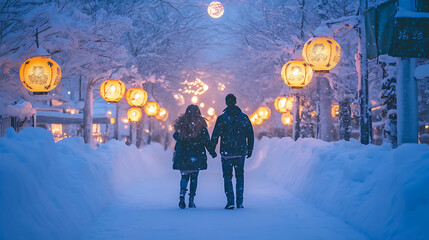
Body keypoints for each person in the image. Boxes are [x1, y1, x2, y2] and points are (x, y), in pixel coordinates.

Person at [211, 94, 254, 209]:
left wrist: (212, 149)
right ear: (235, 102)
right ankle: (239, 202)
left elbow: (215, 135)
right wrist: (250, 148)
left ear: (226, 103)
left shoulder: (221, 119)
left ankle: (230, 201)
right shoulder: (244, 118)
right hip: (240, 152)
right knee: (240, 176)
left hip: (226, 153)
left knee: (227, 177)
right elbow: (250, 134)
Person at [172, 104, 217, 209]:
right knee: (194, 177)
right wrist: (212, 152)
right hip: (196, 155)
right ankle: (191, 200)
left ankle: (182, 195)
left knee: (184, 176)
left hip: (183, 154)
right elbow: (206, 141)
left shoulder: (182, 125)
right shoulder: (201, 126)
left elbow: (175, 136)